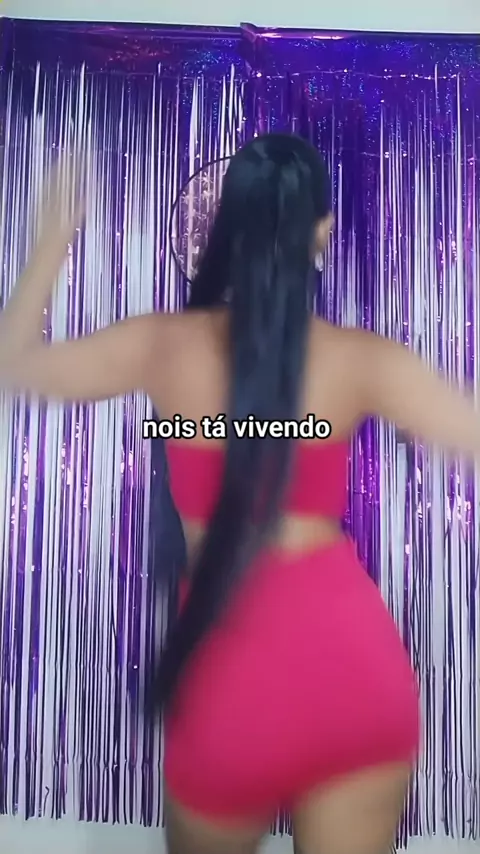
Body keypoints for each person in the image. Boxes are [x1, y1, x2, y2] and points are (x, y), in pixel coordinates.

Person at [1, 133, 479, 854]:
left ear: (229, 225)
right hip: (356, 678)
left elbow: (14, 362)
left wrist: (50, 243)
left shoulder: (161, 345)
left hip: (230, 688)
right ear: (322, 230)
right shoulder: (363, 360)